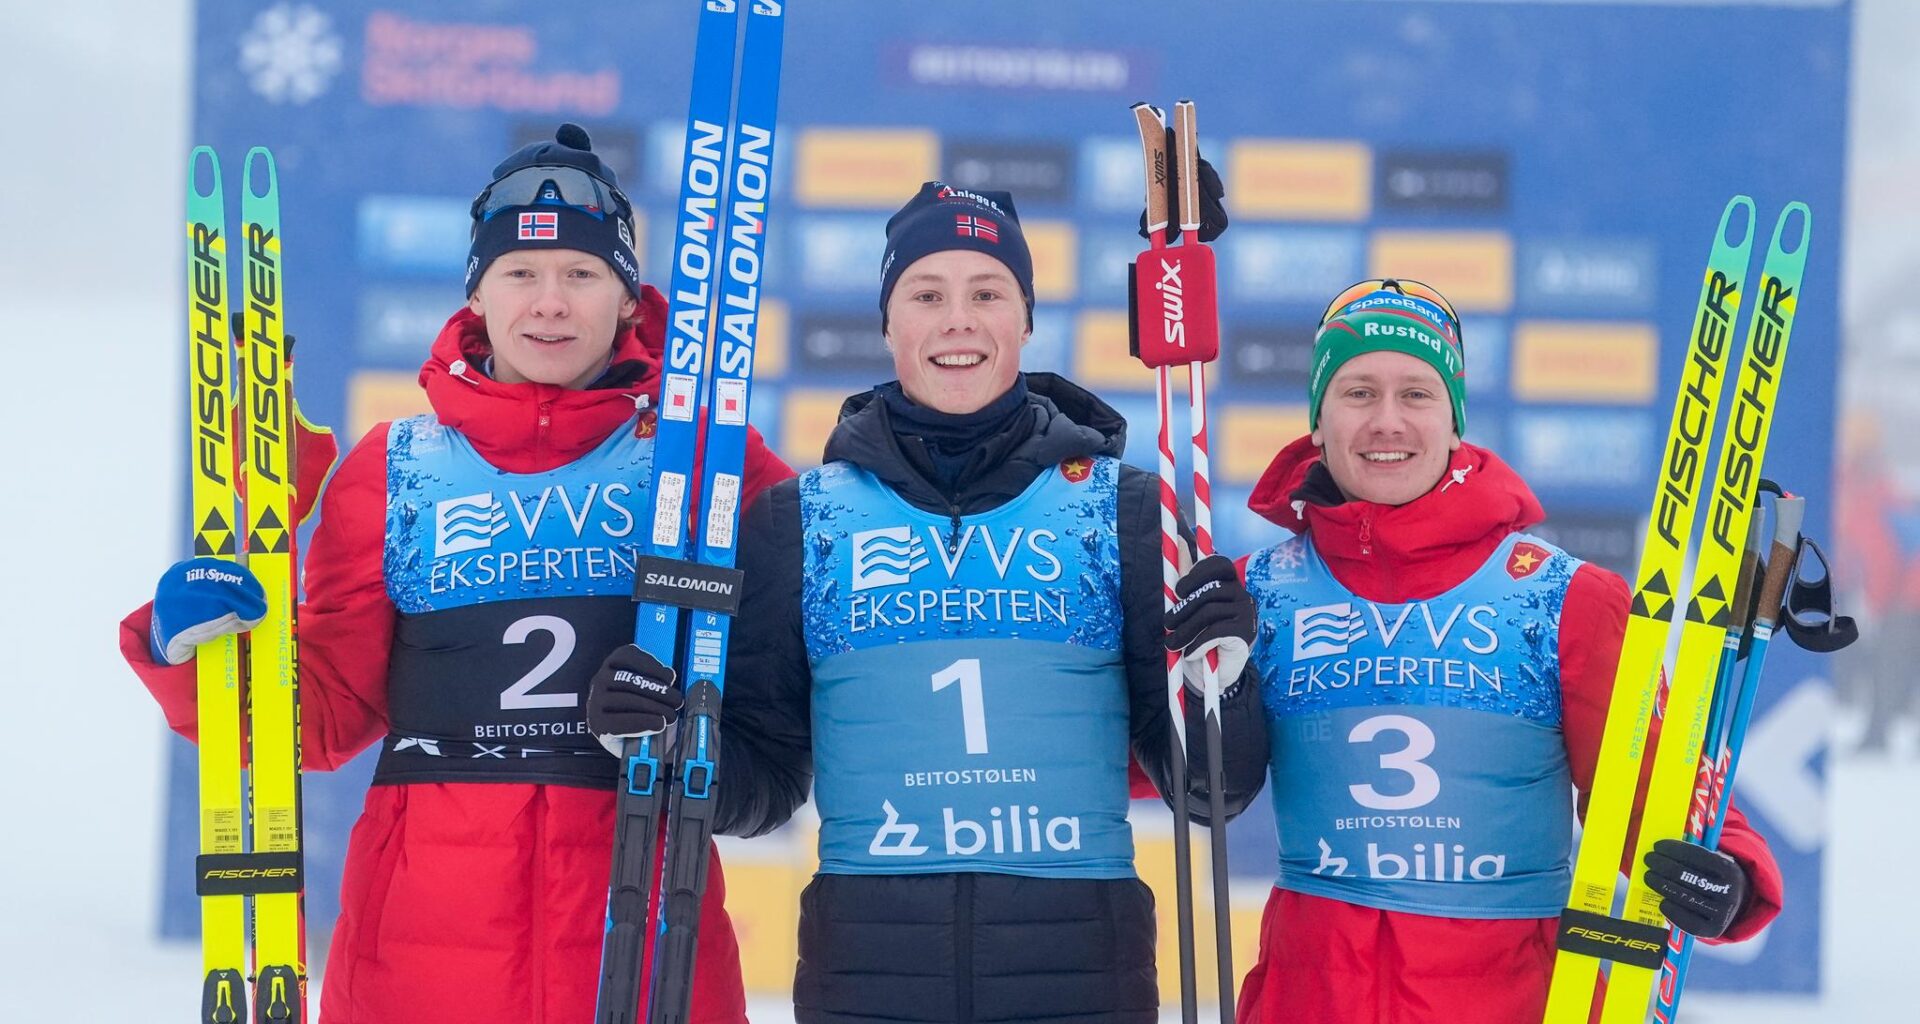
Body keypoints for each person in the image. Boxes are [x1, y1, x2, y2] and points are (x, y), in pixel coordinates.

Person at [122, 124, 791, 1024]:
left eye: (582, 276)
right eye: (521, 274)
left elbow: (803, 656)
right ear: (477, 294)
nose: (550, 303)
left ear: (629, 300)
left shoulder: (707, 464)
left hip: (639, 925)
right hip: (424, 948)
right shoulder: (395, 469)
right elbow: (319, 719)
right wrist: (196, 649)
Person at [587, 181, 1270, 1024]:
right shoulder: (803, 521)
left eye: (988, 293)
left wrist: (1221, 686)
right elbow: (762, 783)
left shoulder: (1122, 512)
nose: (958, 320)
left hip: (1080, 974)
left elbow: (1210, 790)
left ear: (1025, 319)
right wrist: (660, 740)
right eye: (926, 294)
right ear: (888, 323)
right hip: (869, 977)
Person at [1209, 280, 1786, 1024]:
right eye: (1357, 392)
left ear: (1456, 424)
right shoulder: (1259, 595)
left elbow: (1652, 787)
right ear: (1318, 422)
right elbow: (1157, 766)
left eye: (1417, 394)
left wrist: (1730, 870)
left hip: (1511, 998)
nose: (1387, 421)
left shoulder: (1561, 599)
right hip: (1310, 998)